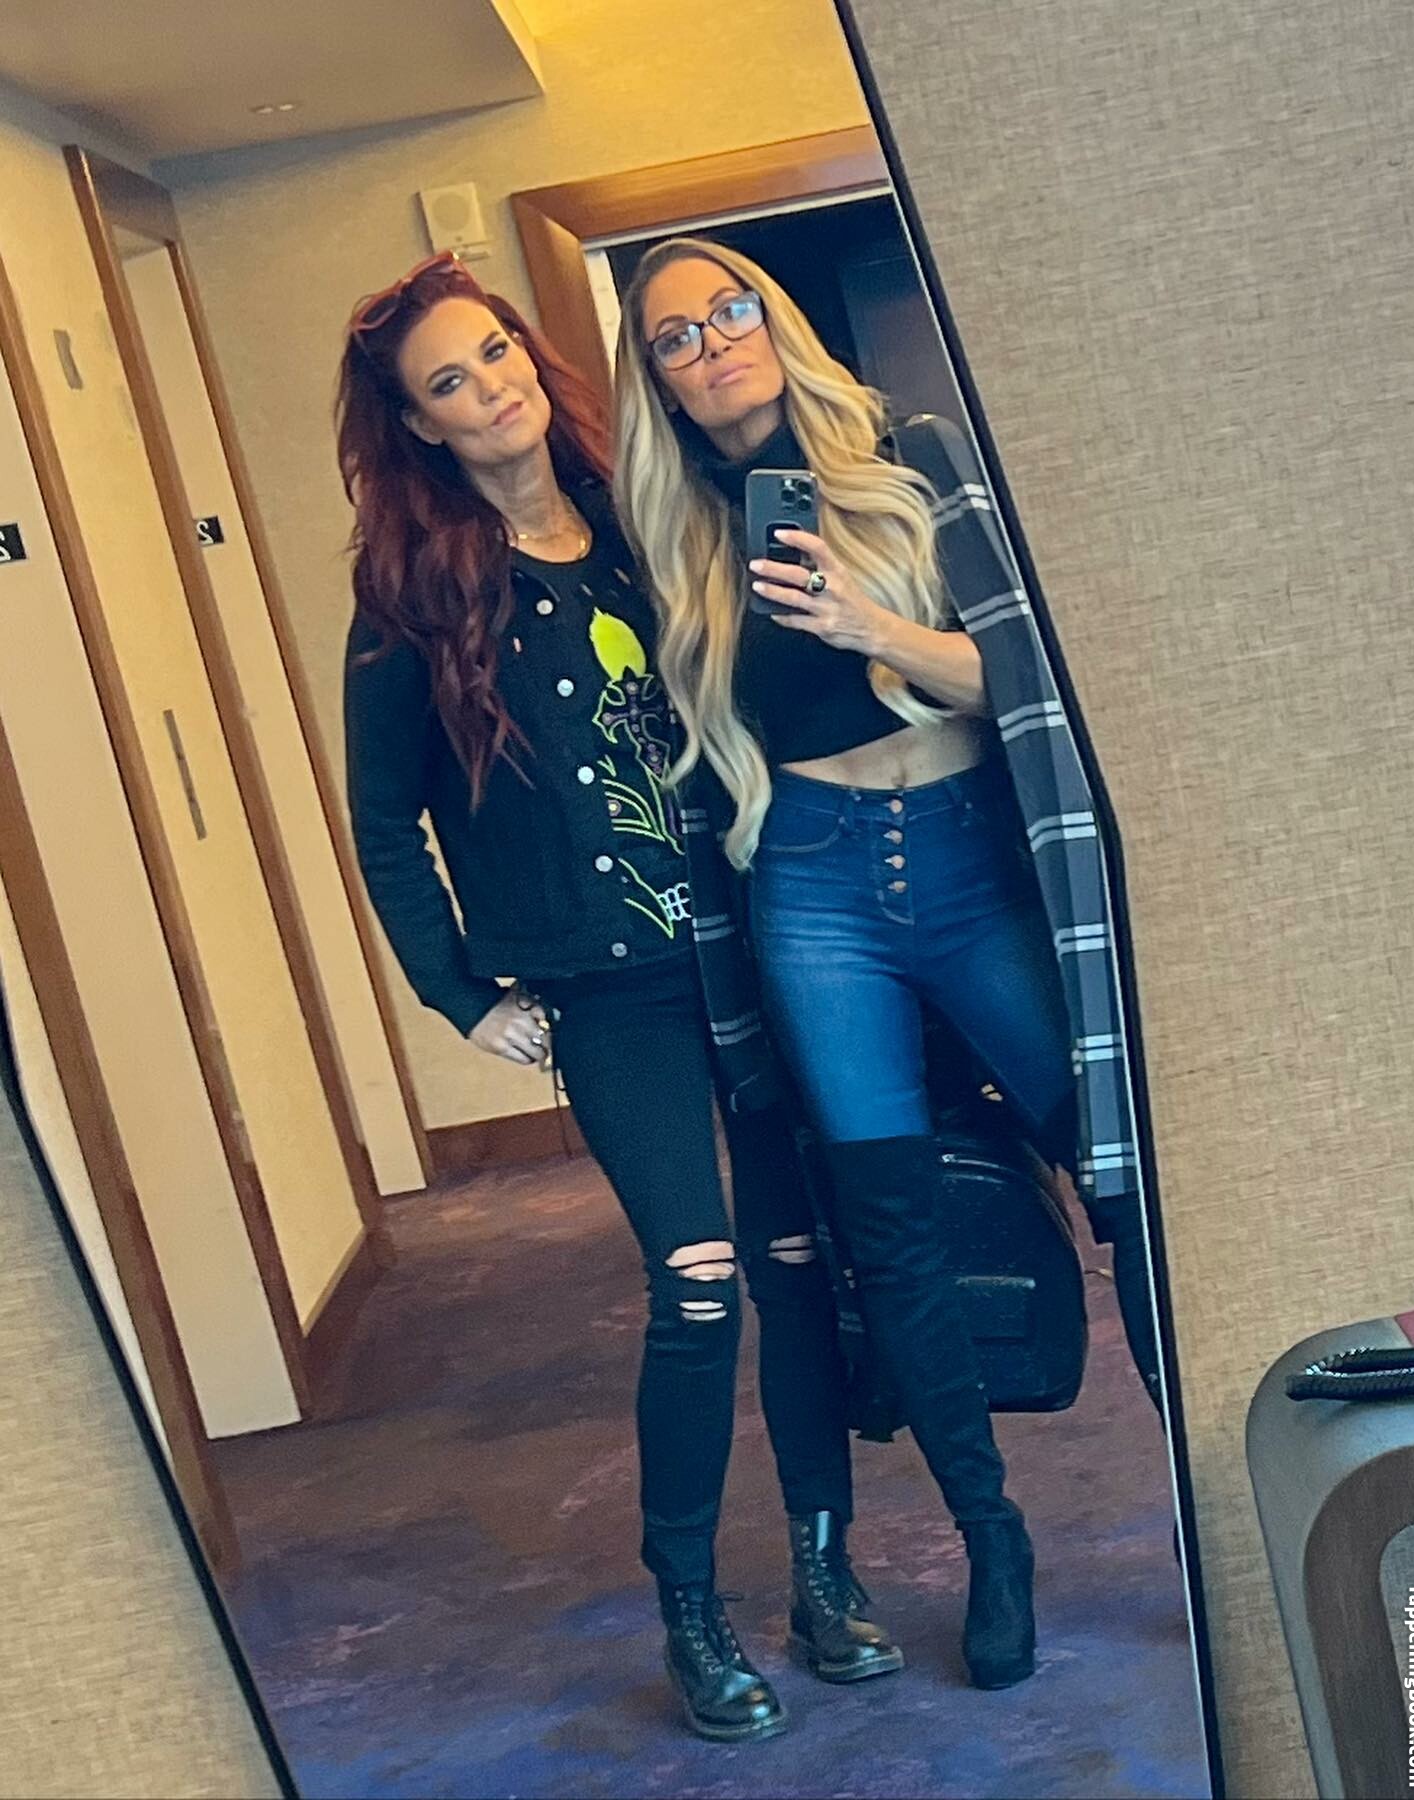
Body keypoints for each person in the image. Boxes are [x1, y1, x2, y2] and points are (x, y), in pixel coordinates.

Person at [336, 252, 905, 1744]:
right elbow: (384, 821)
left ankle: (825, 1569)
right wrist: (458, 994)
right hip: (607, 992)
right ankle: (691, 1609)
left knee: (796, 1264)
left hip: (749, 943)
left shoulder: (651, 522)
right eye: (450, 382)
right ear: (422, 426)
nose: (490, 388)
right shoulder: (412, 597)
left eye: (496, 353)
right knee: (698, 1282)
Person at [613, 236, 1166, 1691]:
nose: (714, 342)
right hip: (814, 887)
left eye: (731, 309)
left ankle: (1209, 1484)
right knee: (894, 1234)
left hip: (973, 860)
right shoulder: (676, 541)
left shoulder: (909, 462)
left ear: (774, 318)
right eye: (676, 336)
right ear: (658, 383)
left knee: (1123, 1182)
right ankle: (993, 1539)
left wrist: (870, 628)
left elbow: (1029, 680)